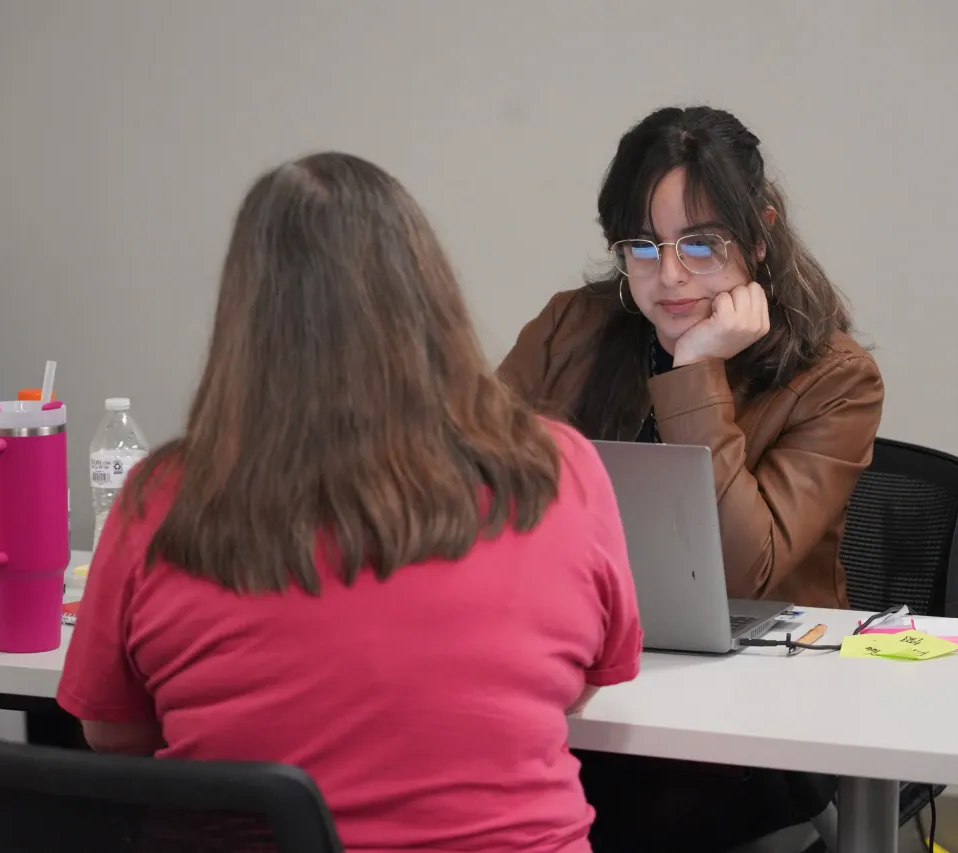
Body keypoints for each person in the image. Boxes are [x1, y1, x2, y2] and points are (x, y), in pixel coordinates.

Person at [57, 152, 643, 853]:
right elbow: (581, 681)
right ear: (428, 296)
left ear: (246, 315)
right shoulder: (561, 469)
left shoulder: (158, 499)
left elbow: (112, 730)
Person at [498, 106, 884, 851]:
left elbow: (744, 566)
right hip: (578, 675)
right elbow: (473, 481)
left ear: (761, 233)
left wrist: (697, 370)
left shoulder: (834, 377)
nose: (667, 274)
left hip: (751, 717)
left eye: (701, 244)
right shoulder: (567, 328)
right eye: (642, 245)